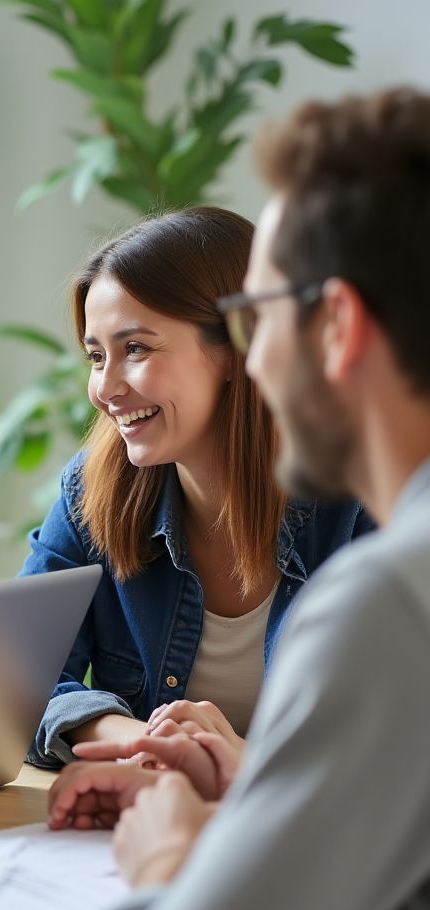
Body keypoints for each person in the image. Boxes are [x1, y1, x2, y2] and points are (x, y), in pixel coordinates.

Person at [57, 86, 430, 910]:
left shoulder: (392, 598)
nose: (253, 358)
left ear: (337, 325)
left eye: (259, 317)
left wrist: (169, 860)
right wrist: (265, 793)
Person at [22, 206, 371, 770]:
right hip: (155, 813)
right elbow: (15, 681)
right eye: (96, 356)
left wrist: (245, 766)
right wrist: (143, 740)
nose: (105, 388)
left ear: (239, 346)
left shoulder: (366, 499)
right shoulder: (92, 490)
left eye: (136, 349)